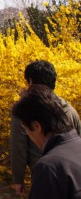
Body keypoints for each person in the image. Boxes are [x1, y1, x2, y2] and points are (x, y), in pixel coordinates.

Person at [10, 60, 81, 196]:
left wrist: (18, 179)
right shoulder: (69, 108)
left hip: (46, 176)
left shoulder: (26, 111)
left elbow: (18, 146)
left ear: (30, 81)